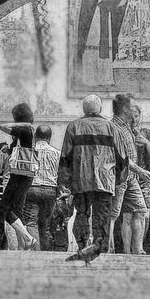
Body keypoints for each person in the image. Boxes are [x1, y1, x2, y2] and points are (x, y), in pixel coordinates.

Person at [59, 94, 129, 253]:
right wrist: (118, 179)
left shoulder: (73, 127)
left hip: (80, 180)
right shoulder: (112, 128)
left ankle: (83, 247)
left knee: (82, 214)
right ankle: (101, 249)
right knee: (102, 217)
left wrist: (65, 182)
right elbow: (123, 158)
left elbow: (65, 157)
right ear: (100, 108)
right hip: (104, 180)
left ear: (84, 109)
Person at [0, 104, 38, 250]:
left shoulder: (25, 129)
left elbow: (3, 127)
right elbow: (15, 150)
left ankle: (28, 239)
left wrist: (21, 123)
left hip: (20, 174)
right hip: (24, 174)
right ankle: (25, 243)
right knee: (16, 209)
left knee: (3, 208)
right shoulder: (26, 132)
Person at [109, 94, 150, 254]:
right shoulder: (113, 127)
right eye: (132, 105)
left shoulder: (127, 126)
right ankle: (109, 249)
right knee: (113, 214)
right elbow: (122, 157)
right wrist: (140, 170)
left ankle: (138, 249)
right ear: (125, 109)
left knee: (140, 211)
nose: (135, 108)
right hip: (119, 178)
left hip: (131, 178)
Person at [129, 101, 150, 252]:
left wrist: (146, 142)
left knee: (144, 213)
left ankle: (139, 244)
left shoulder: (146, 132)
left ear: (139, 116)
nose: (133, 119)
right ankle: (129, 249)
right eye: (131, 116)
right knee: (128, 216)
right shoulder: (122, 131)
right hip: (127, 177)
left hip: (144, 178)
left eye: (136, 116)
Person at [23, 125, 62, 251]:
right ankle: (45, 254)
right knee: (45, 226)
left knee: (31, 222)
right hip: (50, 190)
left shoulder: (28, 152)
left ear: (35, 137)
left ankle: (35, 252)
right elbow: (61, 174)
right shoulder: (57, 153)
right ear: (49, 138)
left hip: (32, 189)